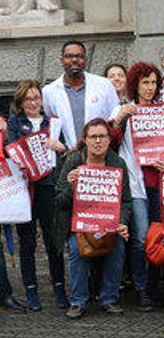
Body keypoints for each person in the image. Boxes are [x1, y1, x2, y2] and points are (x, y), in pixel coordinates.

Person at [111, 62, 164, 311]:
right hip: (136, 184)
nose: (150, 88)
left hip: (160, 183)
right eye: (145, 82)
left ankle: (154, 286)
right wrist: (119, 119)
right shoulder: (124, 111)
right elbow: (111, 144)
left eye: (153, 83)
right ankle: (141, 289)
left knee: (159, 236)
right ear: (135, 85)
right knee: (140, 238)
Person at [54, 118, 133, 319]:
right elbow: (59, 201)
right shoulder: (73, 161)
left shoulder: (117, 163)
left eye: (102, 136)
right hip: (79, 226)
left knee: (119, 248)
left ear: (109, 139)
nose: (98, 141)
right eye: (93, 137)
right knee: (76, 249)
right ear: (85, 140)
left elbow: (125, 200)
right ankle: (78, 301)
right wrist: (71, 188)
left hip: (109, 224)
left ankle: (109, 299)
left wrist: (122, 222)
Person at [5, 80, 68, 311]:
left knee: (54, 240)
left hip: (49, 187)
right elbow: (11, 149)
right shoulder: (15, 122)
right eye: (28, 99)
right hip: (27, 189)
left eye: (36, 98)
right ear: (21, 102)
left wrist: (58, 146)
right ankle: (31, 290)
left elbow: (68, 149)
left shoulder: (52, 123)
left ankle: (60, 287)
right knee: (28, 241)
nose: (33, 103)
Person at [42, 40, 119, 148]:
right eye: (69, 56)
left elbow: (114, 118)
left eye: (79, 56)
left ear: (85, 60)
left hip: (100, 154)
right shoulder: (49, 91)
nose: (74, 60)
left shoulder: (104, 85)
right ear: (62, 61)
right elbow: (51, 122)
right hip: (67, 155)